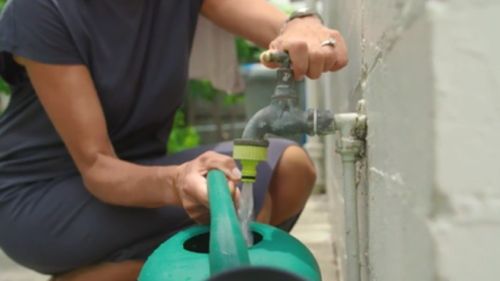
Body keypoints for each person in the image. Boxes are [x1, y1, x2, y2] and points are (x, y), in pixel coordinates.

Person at [0, 0, 348, 280]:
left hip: (138, 172)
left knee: (288, 169)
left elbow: (281, 31)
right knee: (242, 195)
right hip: (41, 196)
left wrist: (303, 24)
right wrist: (178, 180)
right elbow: (97, 166)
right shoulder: (42, 10)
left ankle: (111, 274)